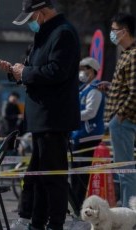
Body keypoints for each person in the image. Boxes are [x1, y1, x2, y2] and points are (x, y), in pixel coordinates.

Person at [0, 0, 81, 229]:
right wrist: (16, 72)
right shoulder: (46, 34)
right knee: (38, 176)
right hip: (41, 117)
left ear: (41, 13)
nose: (31, 24)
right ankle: (36, 221)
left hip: (53, 117)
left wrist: (25, 72)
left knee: (53, 177)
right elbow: (34, 69)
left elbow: (56, 71)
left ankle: (55, 223)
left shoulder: (62, 33)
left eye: (32, 18)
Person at [104, 13, 136, 208]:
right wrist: (111, 87)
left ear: (124, 31)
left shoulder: (133, 56)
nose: (112, 34)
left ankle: (128, 215)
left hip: (125, 121)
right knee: (125, 171)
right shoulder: (128, 54)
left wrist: (121, 115)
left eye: (114, 30)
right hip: (123, 120)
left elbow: (135, 93)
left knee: (125, 171)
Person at [71, 57, 105, 209]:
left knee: (82, 178)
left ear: (93, 71)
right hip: (79, 136)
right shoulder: (83, 89)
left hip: (89, 137)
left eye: (85, 68)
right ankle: (77, 208)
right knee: (76, 176)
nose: (82, 72)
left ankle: (80, 210)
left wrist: (70, 116)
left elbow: (91, 112)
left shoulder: (95, 90)